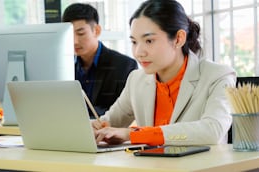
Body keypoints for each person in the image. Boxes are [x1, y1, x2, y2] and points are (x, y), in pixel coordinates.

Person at [93, 0, 236, 146]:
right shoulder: (136, 79)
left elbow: (212, 131)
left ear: (178, 39)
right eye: (134, 42)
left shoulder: (218, 76)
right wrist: (93, 129)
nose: (138, 52)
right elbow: (107, 122)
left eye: (149, 41)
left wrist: (133, 134)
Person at [62, 3, 138, 118]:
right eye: (69, 34)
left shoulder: (124, 65)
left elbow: (125, 112)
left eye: (81, 33)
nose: (74, 41)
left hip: (108, 131)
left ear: (96, 31)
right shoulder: (65, 68)